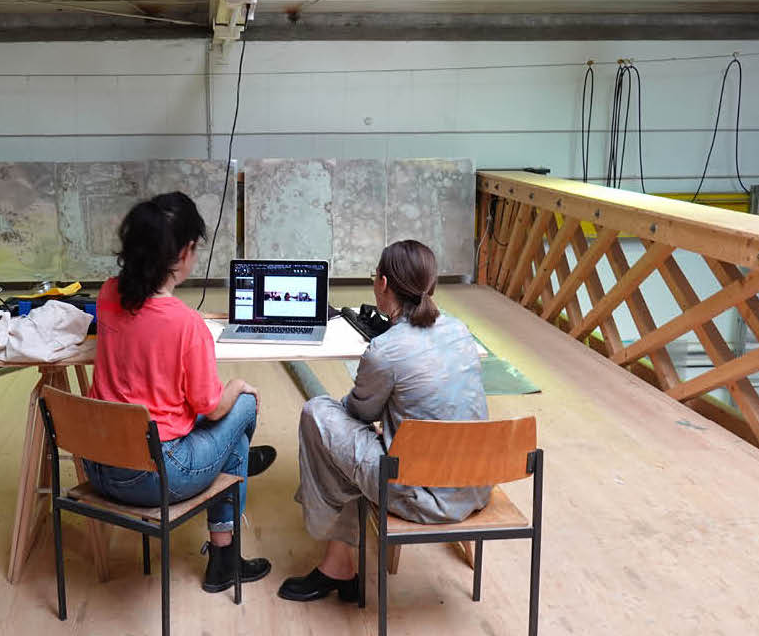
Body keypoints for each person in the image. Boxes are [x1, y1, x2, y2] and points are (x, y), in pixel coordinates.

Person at [278, 239, 490, 602]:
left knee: (319, 413)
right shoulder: (460, 330)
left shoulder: (386, 350)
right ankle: (337, 560)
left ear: (383, 283)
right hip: (474, 485)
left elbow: (359, 413)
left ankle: (339, 562)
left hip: (419, 495)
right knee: (366, 436)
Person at [88, 192, 275, 593]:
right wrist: (239, 384)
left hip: (98, 464)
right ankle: (225, 555)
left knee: (231, 441)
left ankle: (231, 480)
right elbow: (209, 408)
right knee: (240, 406)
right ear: (186, 251)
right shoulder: (187, 326)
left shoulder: (107, 294)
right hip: (158, 475)